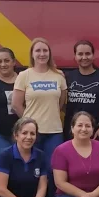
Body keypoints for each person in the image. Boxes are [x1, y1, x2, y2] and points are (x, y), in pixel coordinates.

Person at [13, 38, 66, 168]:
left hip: (54, 131)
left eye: (45, 50)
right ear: (32, 54)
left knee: (53, 168)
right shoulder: (24, 75)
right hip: (32, 133)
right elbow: (16, 104)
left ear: (49, 53)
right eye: (38, 50)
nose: (42, 54)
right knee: (32, 167)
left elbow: (62, 102)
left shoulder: (59, 75)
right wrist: (29, 123)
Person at [65, 40, 99, 142]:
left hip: (96, 132)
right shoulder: (68, 77)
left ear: (93, 55)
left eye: (88, 54)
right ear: (75, 56)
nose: (84, 57)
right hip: (72, 132)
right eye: (80, 54)